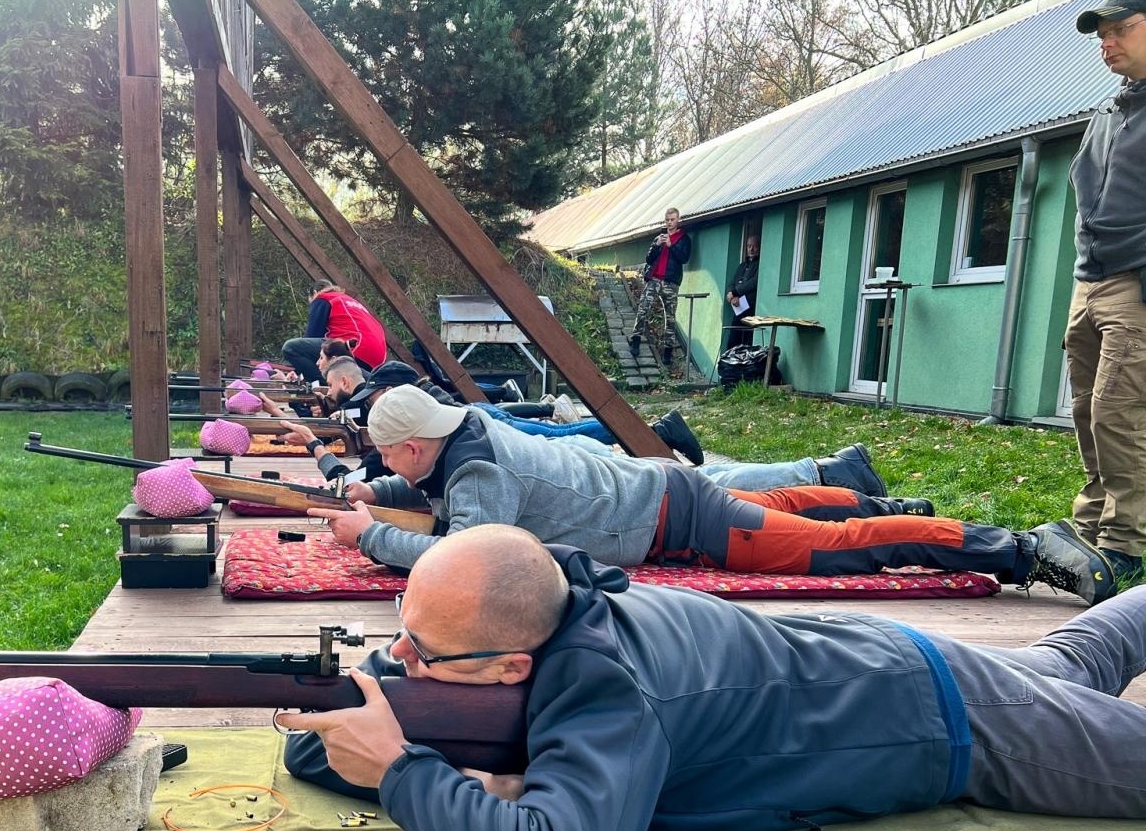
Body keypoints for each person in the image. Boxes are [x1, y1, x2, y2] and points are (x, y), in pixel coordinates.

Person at [278, 525, 1146, 831]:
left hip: (946, 720)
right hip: (885, 663)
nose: (397, 658)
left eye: (419, 652)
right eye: (400, 627)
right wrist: (388, 715)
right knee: (1076, 658)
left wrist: (402, 771)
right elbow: (319, 742)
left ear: (511, 667)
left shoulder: (606, 693)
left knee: (1093, 711)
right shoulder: (555, 608)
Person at [309, 385, 1117, 604]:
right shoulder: (461, 440)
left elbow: (462, 563)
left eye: (389, 457)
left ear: (416, 445)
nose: (387, 467)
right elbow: (414, 484)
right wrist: (371, 496)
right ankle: (882, 506)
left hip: (677, 517)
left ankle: (1017, 551)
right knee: (807, 513)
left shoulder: (476, 475)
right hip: (664, 493)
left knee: (827, 553)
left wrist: (370, 536)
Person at [285, 362, 902, 497]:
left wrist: (320, 453)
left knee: (716, 489)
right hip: (578, 470)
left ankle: (830, 477)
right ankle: (832, 473)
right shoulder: (442, 434)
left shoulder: (458, 453)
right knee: (710, 482)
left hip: (592, 483)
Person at [1064, 0, 1146, 584]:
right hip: (1089, 281)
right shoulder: (1112, 108)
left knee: (1119, 412)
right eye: (1101, 35)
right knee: (1087, 412)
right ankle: (1091, 530)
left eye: (1121, 29)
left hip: (1136, 284)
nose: (1107, 43)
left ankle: (1126, 544)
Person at [280, 280, 388, 382]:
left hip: (354, 346)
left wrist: (301, 369)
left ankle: (326, 383)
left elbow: (312, 335)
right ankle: (366, 380)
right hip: (377, 358)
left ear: (314, 292)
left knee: (291, 348)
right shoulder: (348, 300)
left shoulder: (323, 298)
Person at [629, 208, 691, 366]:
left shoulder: (684, 239)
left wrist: (671, 245)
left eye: (672, 219)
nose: (670, 222)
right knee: (643, 308)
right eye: (667, 220)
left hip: (671, 282)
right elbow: (649, 259)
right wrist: (656, 245)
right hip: (654, 279)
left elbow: (684, 258)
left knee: (670, 317)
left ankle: (668, 352)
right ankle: (635, 339)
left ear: (678, 220)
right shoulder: (659, 238)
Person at [722, 235, 760, 351]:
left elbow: (754, 282)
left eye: (754, 246)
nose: (751, 249)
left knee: (746, 344)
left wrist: (735, 292)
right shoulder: (742, 266)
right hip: (738, 308)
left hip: (751, 309)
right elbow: (731, 283)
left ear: (759, 248)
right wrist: (731, 297)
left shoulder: (760, 264)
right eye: (749, 246)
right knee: (732, 342)